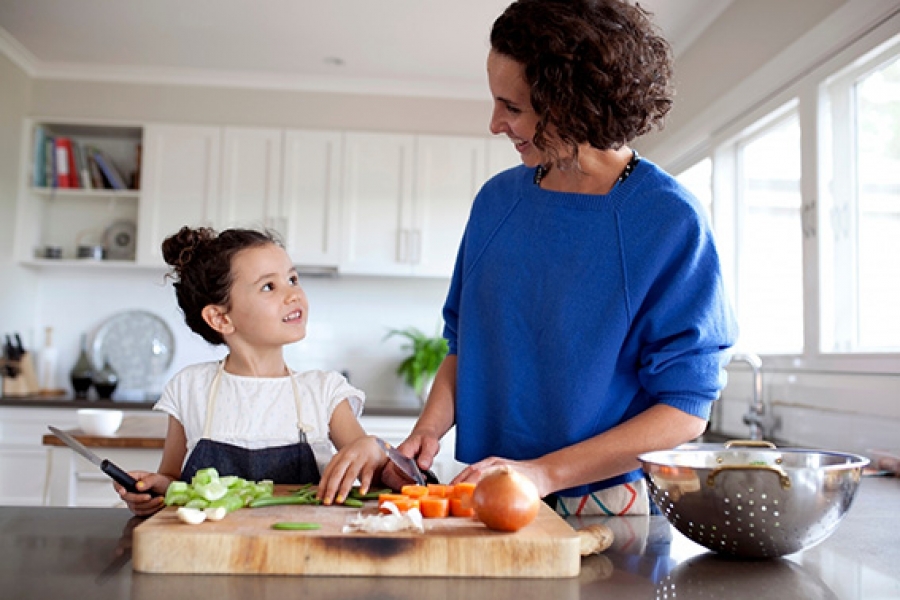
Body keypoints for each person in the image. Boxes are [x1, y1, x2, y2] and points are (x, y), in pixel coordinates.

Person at [393, 0, 738, 516]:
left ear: (573, 104)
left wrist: (542, 474)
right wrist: (427, 431)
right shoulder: (495, 203)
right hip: (486, 492)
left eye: (513, 107)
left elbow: (684, 410)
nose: (494, 124)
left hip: (601, 502)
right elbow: (465, 346)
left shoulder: (667, 221)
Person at [116, 227, 387, 516]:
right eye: (269, 286)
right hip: (209, 551)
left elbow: (378, 473)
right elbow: (171, 478)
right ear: (220, 318)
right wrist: (154, 489)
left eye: (292, 279)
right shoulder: (191, 387)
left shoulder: (324, 392)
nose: (293, 294)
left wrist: (376, 449)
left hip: (302, 548)